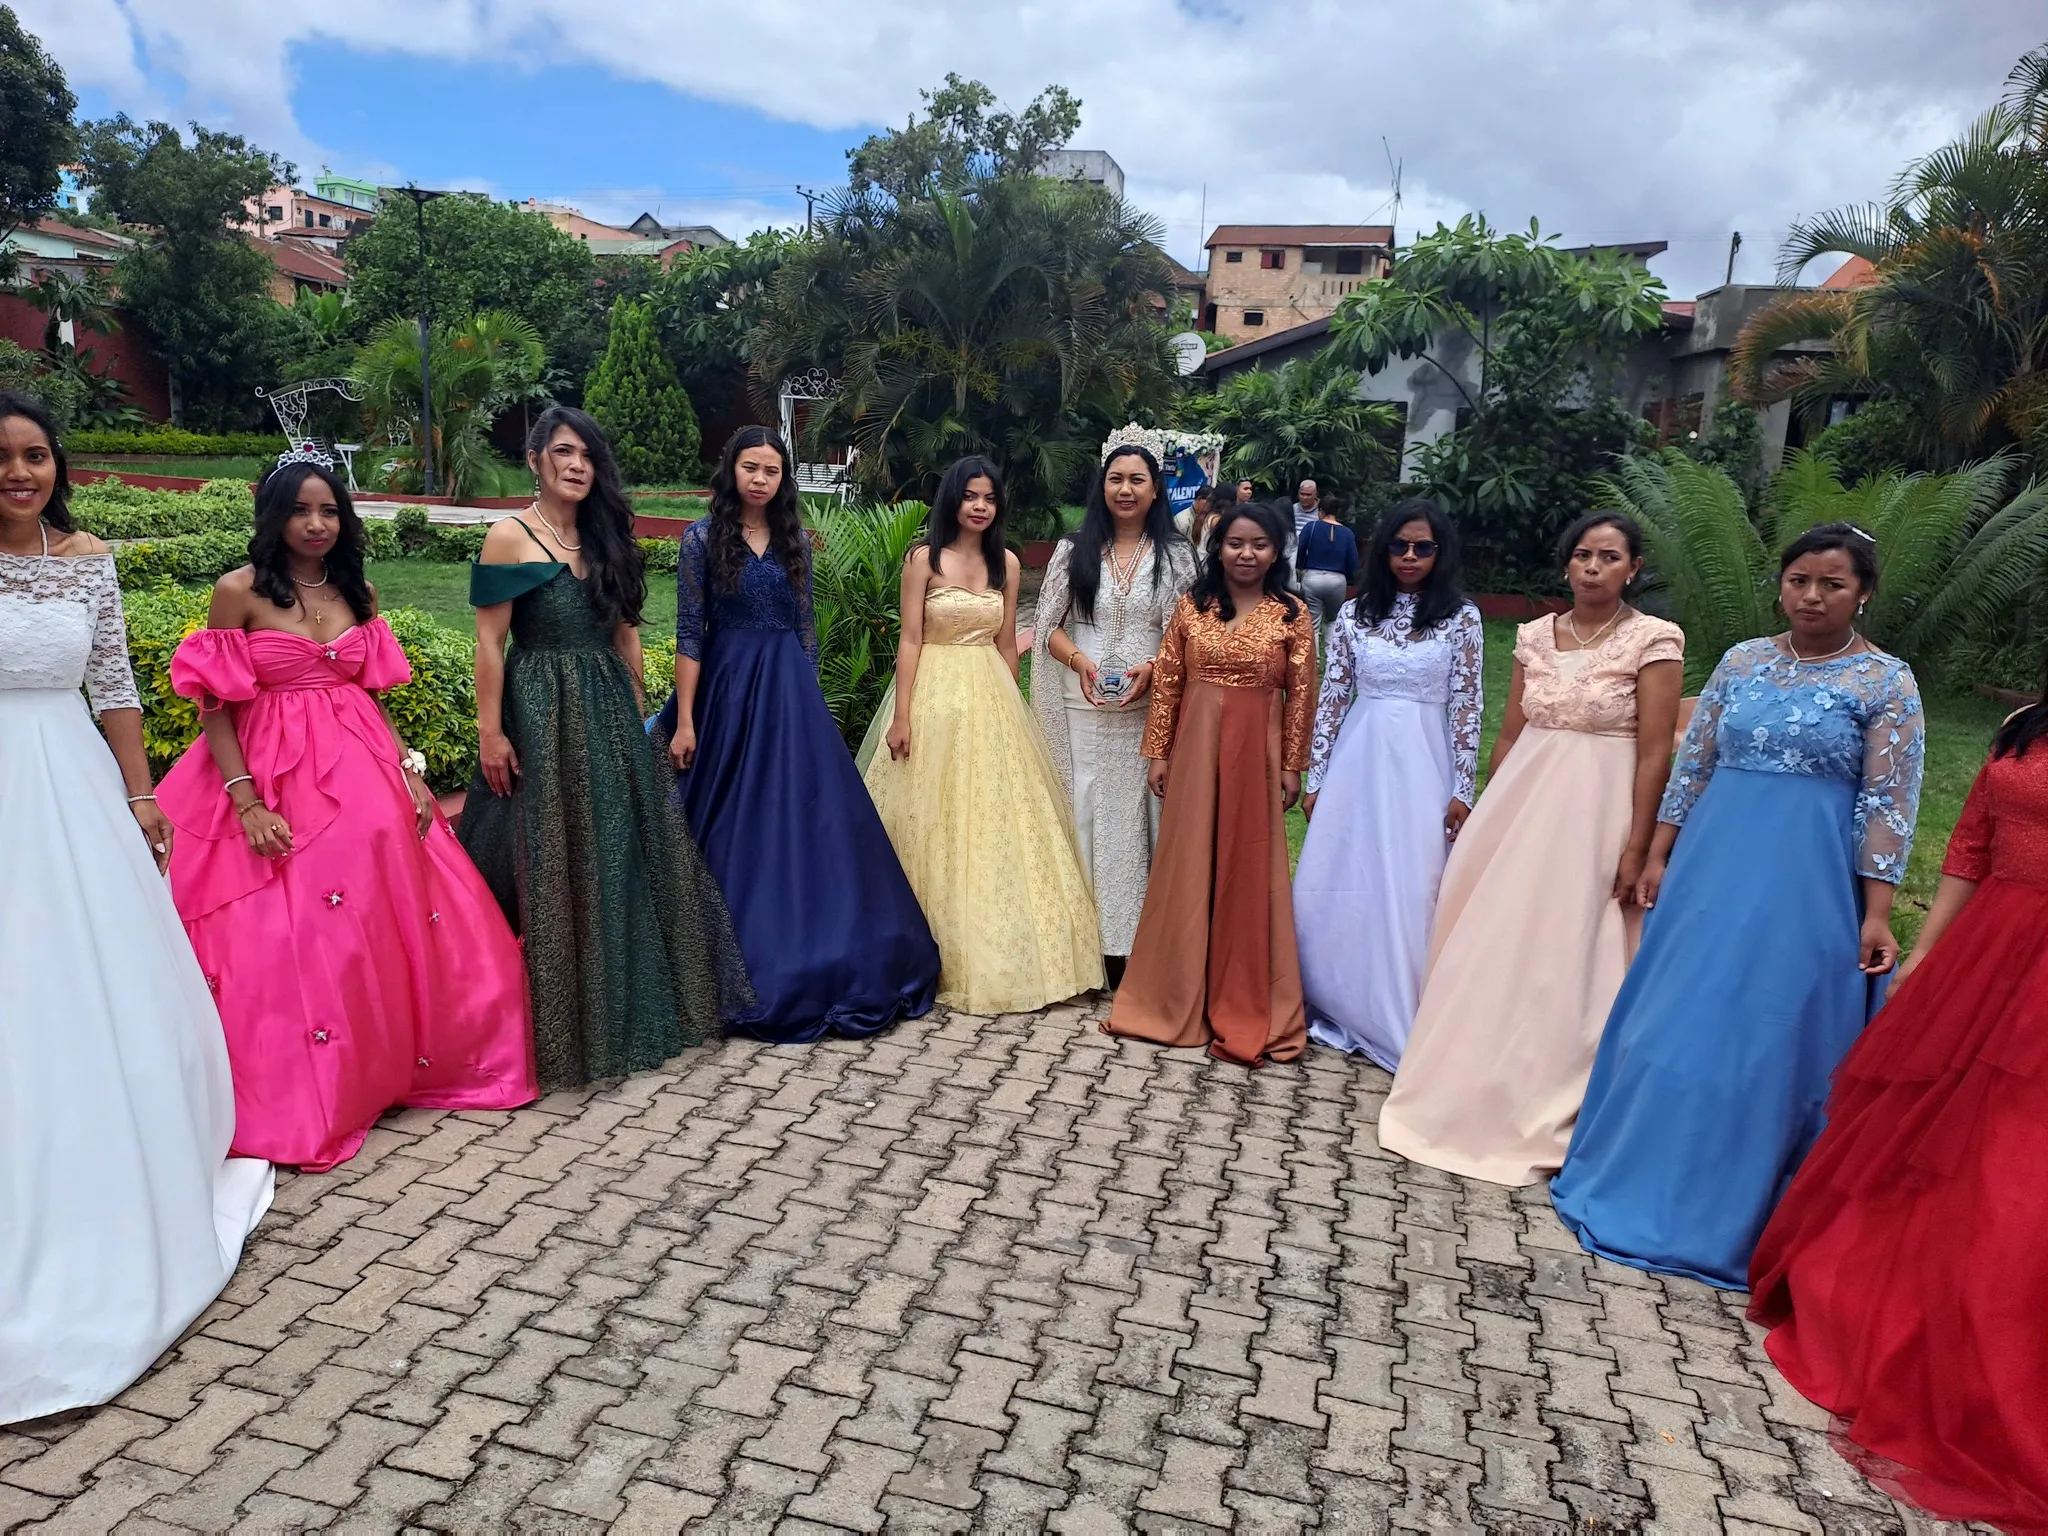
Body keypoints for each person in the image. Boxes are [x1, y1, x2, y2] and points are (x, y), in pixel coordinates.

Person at [1553, 525, 1925, 1287]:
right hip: (1712, 865)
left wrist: (1876, 912)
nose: (1812, 597)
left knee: (1770, 1032)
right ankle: (1638, 1169)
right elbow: (1694, 765)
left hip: (1808, 882)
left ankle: (1740, 1203)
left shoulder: (1886, 681)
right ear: (1781, 585)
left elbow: (1889, 803)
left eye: (1833, 584)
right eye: (1799, 581)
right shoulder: (1742, 660)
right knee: (1677, 1018)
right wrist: (1659, 853)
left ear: (1864, 594)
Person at [0, 391, 272, 1422]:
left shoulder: (88, 562)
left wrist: (141, 794)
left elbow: (114, 688)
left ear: (57, 467)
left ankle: (106, 1165)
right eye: (2, 458)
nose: (19, 473)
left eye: (35, 455)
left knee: (86, 974)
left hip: (69, 783)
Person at [158, 455, 537, 1169]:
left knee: (374, 911)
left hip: (361, 764)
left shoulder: (357, 590)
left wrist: (410, 773)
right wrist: (246, 800)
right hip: (271, 769)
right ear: (274, 516)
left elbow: (369, 694)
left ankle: (387, 1063)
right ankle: (317, 1081)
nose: (316, 524)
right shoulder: (237, 592)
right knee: (297, 926)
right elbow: (214, 707)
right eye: (301, 510)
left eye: (330, 510)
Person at [1748, 643, 2048, 1528]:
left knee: (2011, 1165)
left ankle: (1974, 1348)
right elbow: (1972, 842)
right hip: (1986, 951)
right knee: (1927, 1137)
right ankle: (1882, 1309)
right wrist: (1926, 952)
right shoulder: (2023, 726)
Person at [1377, 512, 1683, 1184]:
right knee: (1497, 934)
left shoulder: (1654, 640)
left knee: (1571, 942)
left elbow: (1657, 751)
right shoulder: (1535, 635)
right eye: (1582, 555)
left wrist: (1637, 844)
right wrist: (1493, 812)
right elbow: (1512, 734)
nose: (1593, 568)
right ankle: (1471, 1071)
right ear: (1566, 563)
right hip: (1524, 803)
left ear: (1633, 567)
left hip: (1601, 810)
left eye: (1609, 557)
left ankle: (1554, 1082)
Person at [460, 405, 750, 1088]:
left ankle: (625, 1003)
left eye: (588, 455)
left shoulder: (605, 534)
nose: (577, 465)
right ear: (535, 459)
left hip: (609, 710)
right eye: (564, 451)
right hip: (541, 711)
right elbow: (489, 643)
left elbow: (626, 633)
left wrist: (639, 713)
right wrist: (491, 732)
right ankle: (539, 1016)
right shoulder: (509, 536)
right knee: (547, 855)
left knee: (615, 852)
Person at [652, 427, 938, 1042]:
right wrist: (686, 720)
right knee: (726, 815)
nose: (760, 479)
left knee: (812, 815)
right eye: (750, 467)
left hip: (788, 692)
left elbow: (806, 630)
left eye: (772, 470)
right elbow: (690, 633)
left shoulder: (796, 541)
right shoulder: (701, 538)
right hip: (727, 689)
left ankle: (827, 938)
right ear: (731, 470)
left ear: (784, 479)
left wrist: (807, 704)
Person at [860, 456, 1103, 1014]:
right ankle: (915, 943)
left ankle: (1001, 943)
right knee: (928, 815)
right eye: (970, 496)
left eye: (989, 498)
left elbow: (1005, 643)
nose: (980, 506)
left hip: (991, 698)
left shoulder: (1007, 564)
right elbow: (910, 641)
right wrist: (902, 715)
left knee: (992, 818)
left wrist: (1014, 711)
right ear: (953, 499)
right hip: (933, 696)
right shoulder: (923, 560)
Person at [1106, 500, 1315, 1066]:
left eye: (1259, 545)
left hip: (1257, 753)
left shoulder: (1292, 613)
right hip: (1195, 747)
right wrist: (1158, 753)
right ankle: (1175, 992)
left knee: (1247, 867)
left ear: (1276, 552)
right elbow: (1169, 684)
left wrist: (1292, 765)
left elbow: (1303, 696)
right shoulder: (1192, 607)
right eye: (1235, 543)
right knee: (1188, 862)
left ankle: (1242, 993)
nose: (1246, 554)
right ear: (1217, 548)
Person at [1294, 498, 1481, 1069]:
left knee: (1412, 878)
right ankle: (1333, 991)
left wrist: (1463, 787)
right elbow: (1332, 696)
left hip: (1425, 762)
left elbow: (1467, 703)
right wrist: (1317, 775)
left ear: (1441, 552)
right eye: (1399, 545)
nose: (1409, 556)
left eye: (1423, 547)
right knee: (1345, 873)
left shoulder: (1462, 618)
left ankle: (1397, 1003)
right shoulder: (1355, 613)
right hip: (1360, 756)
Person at [1032, 445, 1199, 982]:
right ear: (1102, 486)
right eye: (1115, 479)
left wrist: (1153, 668)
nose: (1125, 489)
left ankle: (1135, 945)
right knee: (1082, 807)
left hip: (1146, 707)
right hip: (1081, 705)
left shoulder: (1176, 556)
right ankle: (1081, 946)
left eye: (1137, 479)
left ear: (1155, 489)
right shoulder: (1073, 549)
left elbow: (1187, 635)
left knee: (1136, 816)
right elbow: (1048, 627)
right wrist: (1081, 662)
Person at [1294, 493, 1361, 653]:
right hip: (1337, 580)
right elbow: (1353, 560)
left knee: (1313, 623)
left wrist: (1300, 568)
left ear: (1320, 510)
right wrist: (1350, 579)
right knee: (1332, 621)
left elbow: (1301, 550)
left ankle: (1314, 659)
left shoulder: (1311, 527)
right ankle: (1332, 657)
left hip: (1313, 578)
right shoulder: (1347, 533)